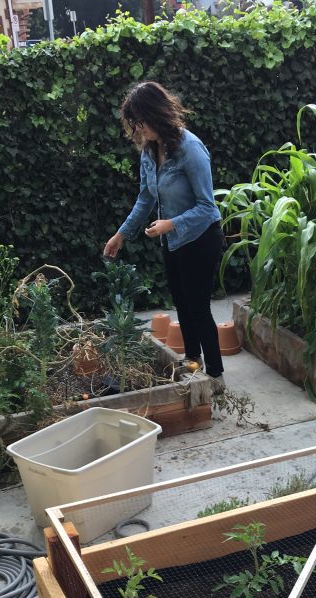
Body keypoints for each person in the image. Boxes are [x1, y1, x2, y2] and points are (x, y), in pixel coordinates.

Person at [103, 81, 225, 387]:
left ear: (155, 115)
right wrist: (121, 235)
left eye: (140, 121)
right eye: (133, 123)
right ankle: (192, 362)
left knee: (199, 307)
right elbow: (146, 197)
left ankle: (216, 375)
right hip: (173, 242)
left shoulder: (190, 149)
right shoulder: (150, 152)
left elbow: (207, 207)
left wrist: (171, 224)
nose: (137, 129)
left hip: (201, 239)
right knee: (182, 304)